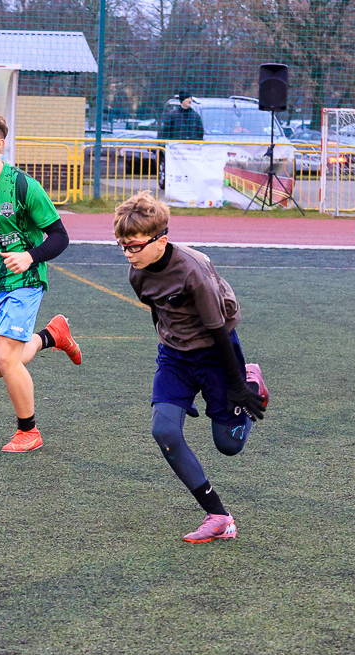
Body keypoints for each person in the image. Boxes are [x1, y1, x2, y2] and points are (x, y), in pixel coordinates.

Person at [114, 192, 268, 543]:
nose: (127, 253)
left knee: (229, 446)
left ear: (161, 240)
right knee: (164, 431)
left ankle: (252, 382)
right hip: (175, 357)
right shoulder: (136, 274)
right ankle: (218, 516)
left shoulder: (194, 271)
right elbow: (158, 313)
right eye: (122, 245)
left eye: (134, 245)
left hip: (217, 351)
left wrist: (236, 385)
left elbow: (219, 330)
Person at [0, 111, 82, 453]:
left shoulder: (23, 185)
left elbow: (60, 236)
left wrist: (30, 256)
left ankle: (29, 431)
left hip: (25, 280)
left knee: (8, 358)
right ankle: (52, 336)